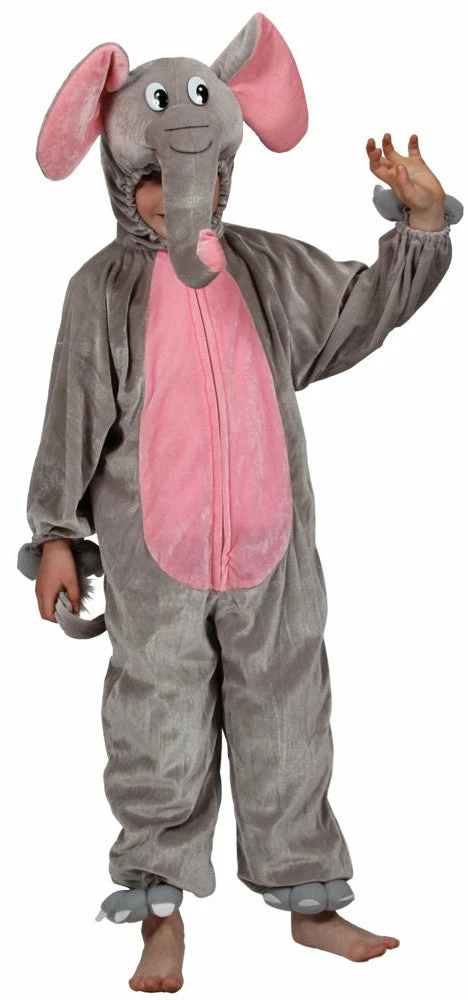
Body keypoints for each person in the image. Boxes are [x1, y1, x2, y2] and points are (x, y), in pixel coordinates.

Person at [18, 12, 462, 994]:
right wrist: (55, 533)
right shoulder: (103, 290)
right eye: (155, 175)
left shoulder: (263, 269)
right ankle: (159, 913)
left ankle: (311, 902)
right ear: (119, 175)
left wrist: (422, 227)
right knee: (158, 732)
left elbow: (360, 307)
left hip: (272, 555)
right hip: (155, 564)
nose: (183, 194)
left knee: (289, 720)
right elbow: (72, 413)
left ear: (226, 169)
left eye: (205, 173)